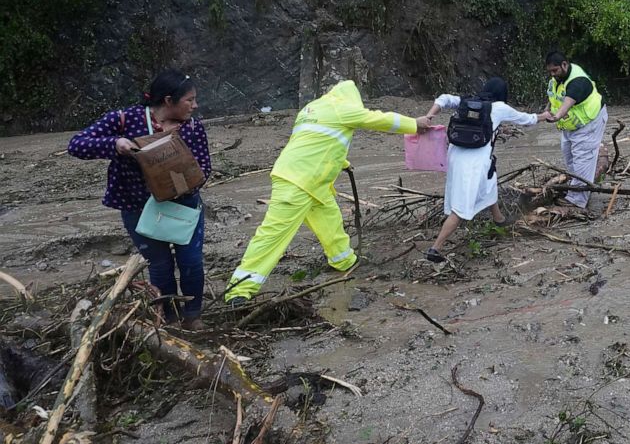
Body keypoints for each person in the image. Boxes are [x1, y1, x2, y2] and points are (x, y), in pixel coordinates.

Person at [224, 80, 432, 304]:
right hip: (299, 182)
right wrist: (414, 124)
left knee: (330, 221)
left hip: (309, 180)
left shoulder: (311, 109)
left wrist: (342, 162)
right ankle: (239, 290)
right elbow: (377, 119)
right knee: (272, 235)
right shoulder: (341, 109)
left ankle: (344, 261)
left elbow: (318, 142)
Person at [68, 69, 211, 329]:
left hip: (183, 206)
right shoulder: (125, 120)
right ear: (169, 100)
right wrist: (115, 144)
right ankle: (169, 318)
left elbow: (204, 168)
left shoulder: (192, 127)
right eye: (189, 100)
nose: (195, 105)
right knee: (160, 264)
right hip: (138, 206)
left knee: (191, 261)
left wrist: (183, 183)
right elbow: (77, 144)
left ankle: (193, 316)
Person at [422, 78, 552, 263]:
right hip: (474, 162)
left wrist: (429, 116)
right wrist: (544, 115)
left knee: (490, 181)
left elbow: (443, 98)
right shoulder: (499, 108)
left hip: (455, 156)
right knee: (462, 207)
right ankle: (435, 248)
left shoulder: (466, 101)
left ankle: (498, 219)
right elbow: (527, 120)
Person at [544, 51, 608, 208]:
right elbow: (553, 97)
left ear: (564, 65)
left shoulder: (577, 81)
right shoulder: (557, 79)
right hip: (571, 126)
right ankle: (580, 185)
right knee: (569, 156)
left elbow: (565, 105)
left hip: (589, 123)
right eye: (550, 71)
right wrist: (547, 109)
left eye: (555, 70)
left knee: (582, 159)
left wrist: (554, 117)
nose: (552, 74)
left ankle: (577, 200)